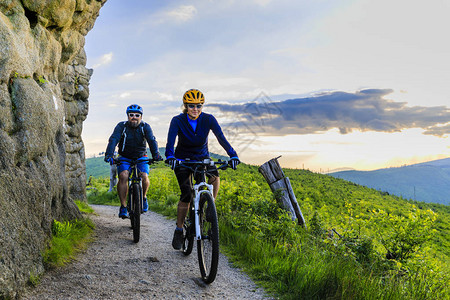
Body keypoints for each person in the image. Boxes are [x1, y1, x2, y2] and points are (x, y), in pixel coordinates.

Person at [165, 89, 240, 250]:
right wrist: (170, 156)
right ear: (185, 106)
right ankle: (179, 230)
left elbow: (221, 138)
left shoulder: (208, 119)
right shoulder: (177, 120)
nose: (195, 109)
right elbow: (170, 142)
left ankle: (208, 207)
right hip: (182, 160)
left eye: (199, 106)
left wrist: (233, 155)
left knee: (214, 177)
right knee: (186, 193)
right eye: (191, 106)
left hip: (202, 157)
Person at [104, 104, 162, 218]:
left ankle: (144, 197)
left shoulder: (145, 127)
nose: (134, 117)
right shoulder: (122, 126)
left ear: (141, 116)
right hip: (125, 157)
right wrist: (109, 155)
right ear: (128, 116)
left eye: (137, 115)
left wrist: (156, 155)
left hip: (141, 156)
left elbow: (152, 140)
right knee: (123, 176)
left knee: (144, 176)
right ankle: (123, 206)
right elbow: (113, 139)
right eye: (131, 115)